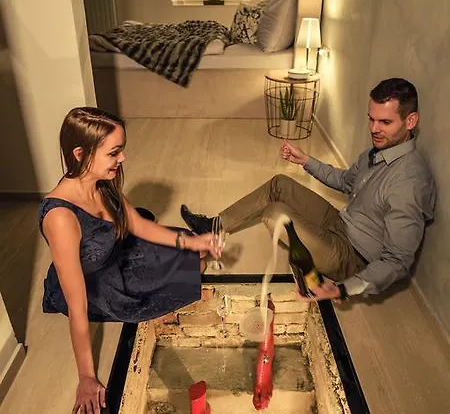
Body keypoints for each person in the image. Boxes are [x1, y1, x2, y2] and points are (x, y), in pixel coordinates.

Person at [180, 77, 436, 301]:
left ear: (410, 121)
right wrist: (305, 160)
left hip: (352, 257)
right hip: (340, 222)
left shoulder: (409, 183)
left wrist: (344, 289)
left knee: (274, 214)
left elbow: (397, 261)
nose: (374, 129)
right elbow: (346, 181)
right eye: (371, 119)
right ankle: (214, 226)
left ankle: (310, 268)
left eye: (385, 122)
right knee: (280, 183)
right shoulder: (379, 151)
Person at [39, 107, 218, 414]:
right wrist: (86, 376)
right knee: (193, 271)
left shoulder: (101, 182)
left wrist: (193, 242)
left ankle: (188, 245)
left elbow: (137, 224)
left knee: (197, 253)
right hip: (98, 285)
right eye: (114, 153)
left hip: (118, 250)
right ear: (80, 154)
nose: (122, 158)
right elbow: (77, 306)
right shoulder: (60, 217)